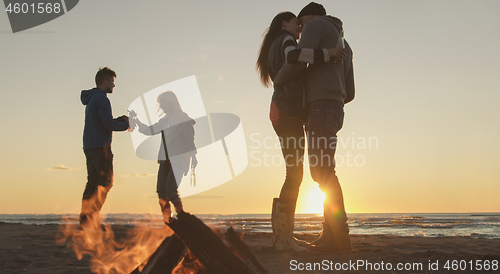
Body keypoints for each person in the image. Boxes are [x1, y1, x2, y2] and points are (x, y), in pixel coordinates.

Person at [256, 11, 346, 251]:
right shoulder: (286, 41)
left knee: (293, 174)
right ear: (285, 23)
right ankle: (284, 239)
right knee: (294, 176)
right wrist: (328, 54)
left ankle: (282, 237)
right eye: (297, 23)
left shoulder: (275, 43)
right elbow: (295, 56)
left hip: (283, 112)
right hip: (287, 113)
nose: (299, 28)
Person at [129, 91, 197, 223]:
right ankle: (168, 220)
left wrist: (193, 157)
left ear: (171, 103)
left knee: (170, 190)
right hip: (165, 161)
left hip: (179, 160)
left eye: (163, 104)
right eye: (160, 104)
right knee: (161, 191)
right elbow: (150, 130)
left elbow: (189, 141)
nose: (161, 107)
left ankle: (182, 217)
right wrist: (136, 121)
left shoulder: (184, 120)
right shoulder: (164, 121)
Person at [80, 67, 129, 229]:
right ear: (105, 81)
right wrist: (127, 124)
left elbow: (104, 121)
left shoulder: (93, 98)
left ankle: (85, 220)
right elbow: (108, 124)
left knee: (93, 183)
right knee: (106, 182)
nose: (114, 86)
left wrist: (120, 121)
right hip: (100, 147)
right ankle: (91, 219)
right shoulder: (101, 99)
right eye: (112, 82)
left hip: (90, 145)